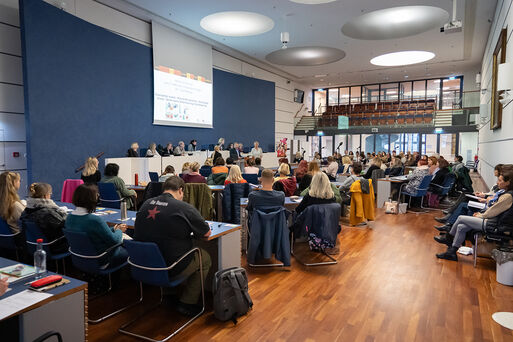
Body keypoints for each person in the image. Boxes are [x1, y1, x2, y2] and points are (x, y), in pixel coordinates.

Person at [134, 176, 211, 316]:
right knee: (204, 258)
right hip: (170, 268)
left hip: (143, 264)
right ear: (181, 190)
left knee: (162, 246)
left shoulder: (146, 203)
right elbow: (206, 233)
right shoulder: (185, 208)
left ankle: (169, 295)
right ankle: (187, 302)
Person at [435, 170, 513, 261]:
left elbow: (493, 211)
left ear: (508, 182)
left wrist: (480, 215)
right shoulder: (506, 193)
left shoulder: (508, 196)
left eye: (500, 180)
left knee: (460, 218)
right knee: (461, 227)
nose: (497, 182)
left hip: (495, 225)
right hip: (493, 222)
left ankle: (449, 237)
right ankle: (451, 252)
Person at [65, 184, 128, 266]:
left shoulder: (69, 218)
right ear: (92, 199)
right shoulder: (94, 220)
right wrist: (119, 230)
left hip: (80, 257)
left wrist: (113, 229)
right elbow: (115, 241)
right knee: (132, 252)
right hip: (102, 257)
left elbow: (95, 233)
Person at [20, 183, 68, 254]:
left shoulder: (26, 211)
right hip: (53, 247)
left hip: (33, 246)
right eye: (50, 194)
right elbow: (66, 224)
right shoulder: (48, 213)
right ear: (46, 196)